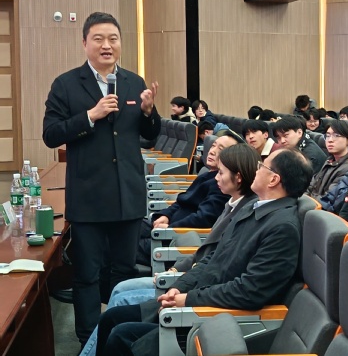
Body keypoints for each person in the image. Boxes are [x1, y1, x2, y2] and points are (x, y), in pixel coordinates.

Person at [96, 149, 313, 356]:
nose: (257, 169)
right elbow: (213, 256)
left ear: (273, 179)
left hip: (210, 317)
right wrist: (179, 287)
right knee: (111, 319)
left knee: (120, 336)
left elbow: (249, 291)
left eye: (262, 166)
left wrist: (188, 299)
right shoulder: (254, 207)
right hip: (200, 296)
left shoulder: (282, 228)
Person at [42, 12, 161, 346]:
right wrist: (90, 116)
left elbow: (149, 136)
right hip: (88, 197)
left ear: (120, 43)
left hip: (127, 196)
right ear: (85, 43)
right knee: (86, 275)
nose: (107, 45)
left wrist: (150, 113)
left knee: (124, 273)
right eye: (98, 39)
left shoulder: (134, 82)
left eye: (113, 39)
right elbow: (51, 134)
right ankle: (88, 342)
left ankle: (115, 341)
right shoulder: (66, 84)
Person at [79, 144, 260, 356]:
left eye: (221, 172)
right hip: (188, 279)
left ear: (238, 177)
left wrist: (182, 289)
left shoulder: (249, 213)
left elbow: (227, 273)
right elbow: (209, 255)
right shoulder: (232, 203)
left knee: (119, 308)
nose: (216, 177)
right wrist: (177, 274)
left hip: (197, 297)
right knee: (116, 298)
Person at [137, 132, 242, 265]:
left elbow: (203, 218)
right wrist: (166, 215)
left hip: (172, 238)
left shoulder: (222, 185)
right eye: (213, 145)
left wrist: (170, 228)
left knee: (121, 243)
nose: (212, 151)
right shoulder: (207, 175)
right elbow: (182, 201)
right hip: (168, 226)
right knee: (124, 225)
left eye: (220, 149)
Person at [307, 120, 348, 198]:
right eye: (328, 136)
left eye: (336, 135)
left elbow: (329, 198)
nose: (330, 140)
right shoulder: (330, 160)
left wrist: (306, 199)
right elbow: (312, 185)